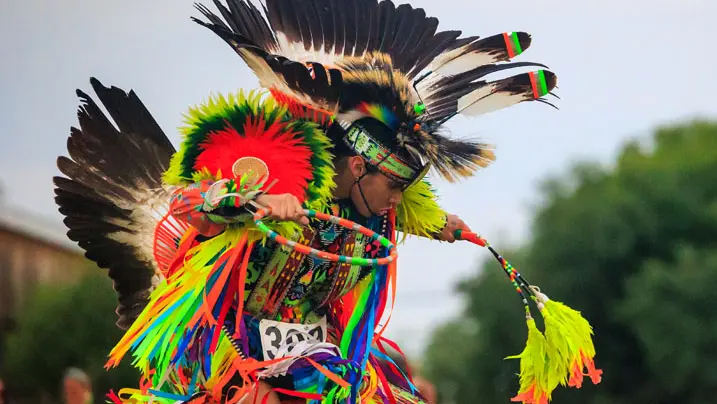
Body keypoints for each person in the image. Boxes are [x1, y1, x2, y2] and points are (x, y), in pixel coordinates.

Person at [53, 0, 560, 402]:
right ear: (358, 167)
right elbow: (189, 204)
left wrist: (443, 226)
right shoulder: (276, 164)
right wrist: (252, 202)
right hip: (228, 345)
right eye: (394, 190)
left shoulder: (378, 203)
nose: (397, 204)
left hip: (320, 351)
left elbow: (406, 207)